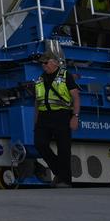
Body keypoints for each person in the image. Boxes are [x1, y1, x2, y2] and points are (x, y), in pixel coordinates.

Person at [33, 54, 80, 187]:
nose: (43, 66)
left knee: (64, 148)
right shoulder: (40, 79)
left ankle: (65, 180)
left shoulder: (65, 76)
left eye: (46, 63)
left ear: (55, 63)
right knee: (39, 143)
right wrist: (35, 121)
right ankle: (60, 172)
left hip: (62, 115)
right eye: (42, 64)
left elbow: (76, 97)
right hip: (44, 116)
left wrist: (75, 116)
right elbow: (37, 102)